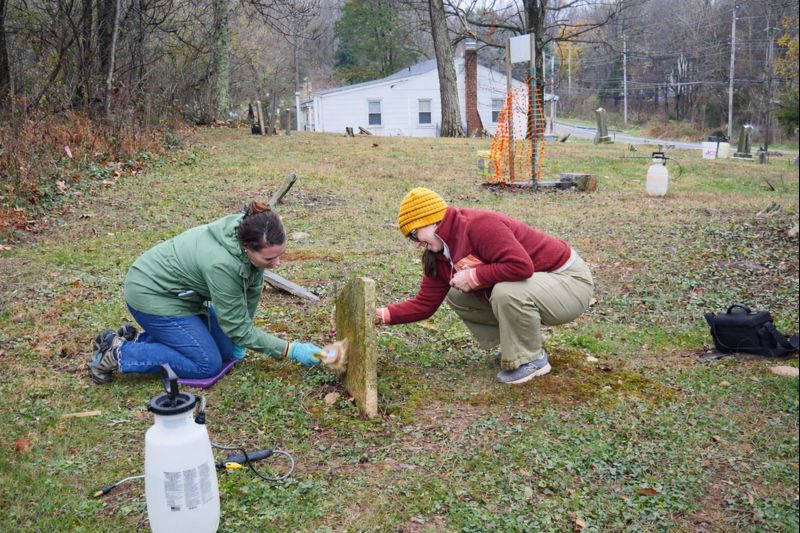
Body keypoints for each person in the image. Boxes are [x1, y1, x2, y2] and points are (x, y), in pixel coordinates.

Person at [87, 201, 324, 384]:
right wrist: (290, 350)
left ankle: (138, 339)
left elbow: (249, 294)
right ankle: (118, 352)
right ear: (247, 248)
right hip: (152, 294)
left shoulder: (248, 233)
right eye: (270, 258)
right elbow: (237, 328)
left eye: (280, 254)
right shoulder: (222, 264)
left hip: (183, 296)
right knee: (205, 364)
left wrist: (240, 339)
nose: (277, 264)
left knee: (225, 350)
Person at [375, 187, 594, 385]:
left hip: (569, 281)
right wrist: (380, 315)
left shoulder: (478, 226)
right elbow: (424, 305)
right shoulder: (440, 254)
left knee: (506, 292)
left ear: (431, 221)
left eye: (414, 234)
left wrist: (476, 276)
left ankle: (532, 360)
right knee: (457, 294)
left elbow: (521, 267)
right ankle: (517, 344)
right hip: (539, 285)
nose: (417, 243)